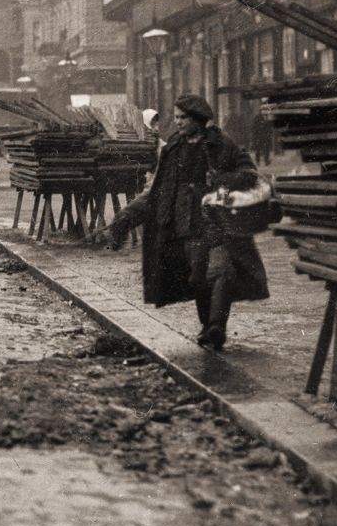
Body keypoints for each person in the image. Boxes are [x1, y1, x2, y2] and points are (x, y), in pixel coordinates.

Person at [91, 94, 268, 351]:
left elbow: (249, 174)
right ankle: (208, 326)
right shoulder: (173, 148)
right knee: (198, 278)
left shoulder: (222, 144)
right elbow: (156, 192)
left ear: (198, 119)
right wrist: (125, 218)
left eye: (183, 117)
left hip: (220, 222)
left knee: (221, 271)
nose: (178, 122)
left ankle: (217, 326)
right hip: (187, 225)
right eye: (176, 117)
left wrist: (221, 180)